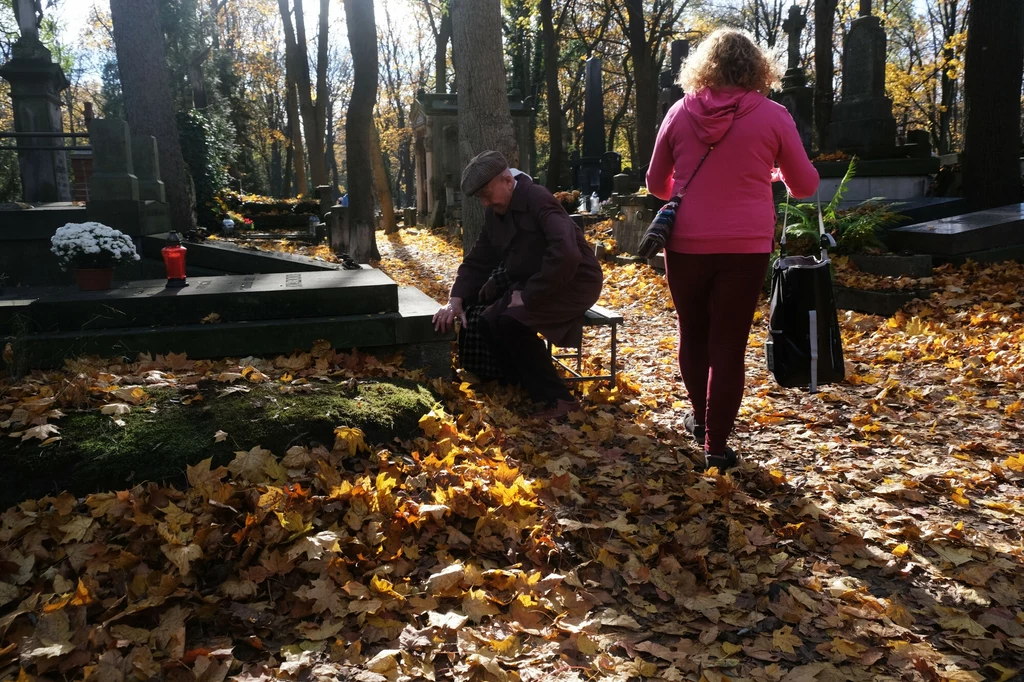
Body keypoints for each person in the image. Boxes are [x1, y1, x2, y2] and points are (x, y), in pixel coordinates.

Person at [645, 29, 818, 470]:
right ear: (758, 68)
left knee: (693, 333)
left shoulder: (679, 113)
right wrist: (768, 174)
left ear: (702, 66)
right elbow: (805, 186)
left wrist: (687, 192)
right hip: (745, 246)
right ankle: (716, 449)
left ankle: (700, 423)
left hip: (685, 244)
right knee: (728, 346)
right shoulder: (774, 115)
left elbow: (655, 184)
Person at [433, 150, 603, 420]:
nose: (485, 203)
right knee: (489, 321)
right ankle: (523, 385)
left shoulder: (538, 199)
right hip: (537, 282)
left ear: (507, 181)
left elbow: (566, 254)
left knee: (512, 322)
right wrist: (456, 299)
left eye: (487, 194)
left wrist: (529, 295)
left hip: (574, 281)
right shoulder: (496, 213)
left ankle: (559, 400)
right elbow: (478, 260)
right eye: (481, 198)